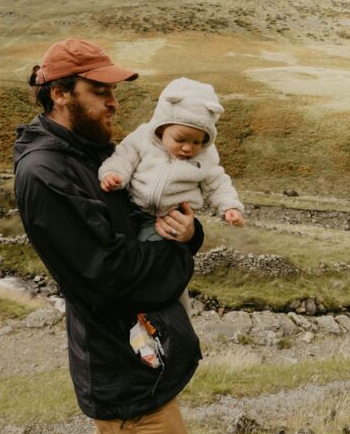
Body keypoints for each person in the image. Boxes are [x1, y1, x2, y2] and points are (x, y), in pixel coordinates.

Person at [13, 38, 204, 434]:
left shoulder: (95, 155)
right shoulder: (46, 171)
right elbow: (110, 274)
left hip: (139, 366)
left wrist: (190, 233)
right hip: (125, 373)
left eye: (113, 91)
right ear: (60, 94)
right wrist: (178, 253)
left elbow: (146, 218)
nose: (113, 103)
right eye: (100, 92)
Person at [98, 77, 245, 312]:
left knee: (155, 264)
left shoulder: (205, 158)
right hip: (131, 207)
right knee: (126, 255)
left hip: (167, 220)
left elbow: (217, 183)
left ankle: (158, 311)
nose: (188, 148)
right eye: (180, 139)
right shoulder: (143, 138)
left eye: (198, 141)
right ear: (162, 126)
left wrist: (230, 207)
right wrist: (114, 174)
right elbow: (124, 157)